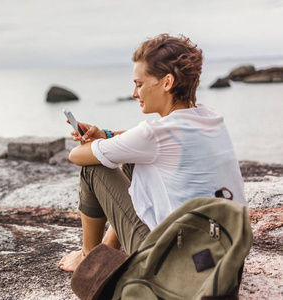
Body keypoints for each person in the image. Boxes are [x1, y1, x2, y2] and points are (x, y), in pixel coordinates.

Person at [59, 33, 247, 272]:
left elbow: (76, 157)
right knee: (133, 161)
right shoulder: (210, 117)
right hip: (227, 263)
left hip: (180, 270)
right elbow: (146, 142)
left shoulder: (152, 135)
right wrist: (105, 135)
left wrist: (90, 144)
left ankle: (89, 261)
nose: (134, 93)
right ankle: (105, 251)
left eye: (139, 84)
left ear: (167, 82)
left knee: (93, 169)